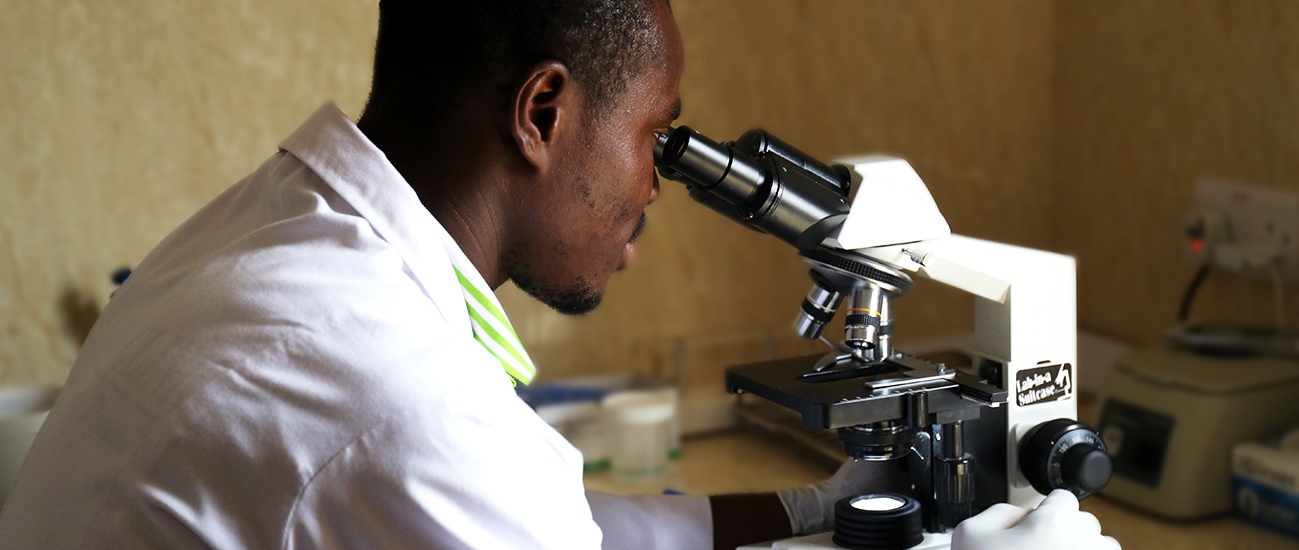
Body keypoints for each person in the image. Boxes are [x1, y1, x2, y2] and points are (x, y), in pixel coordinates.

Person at [0, 1, 1119, 549]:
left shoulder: (267, 233)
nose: (656, 182)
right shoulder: (394, 392)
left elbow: (551, 521)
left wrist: (799, 511)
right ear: (543, 113)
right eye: (655, 136)